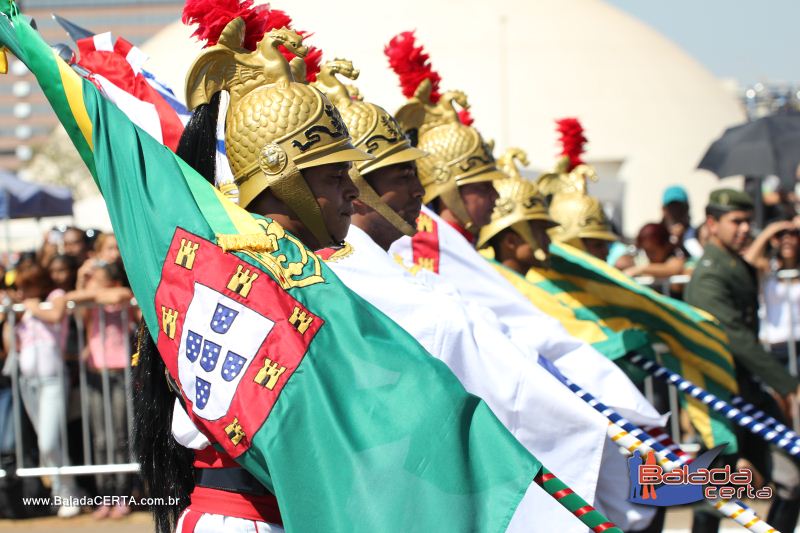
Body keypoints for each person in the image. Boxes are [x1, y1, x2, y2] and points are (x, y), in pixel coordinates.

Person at [314, 62, 611, 532]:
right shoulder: (342, 271)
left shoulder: (413, 274)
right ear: (359, 185)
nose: (418, 190)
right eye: (401, 175)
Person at [385, 38, 661, 529]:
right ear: (453, 190)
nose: (493, 200)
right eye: (483, 188)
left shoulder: (445, 244)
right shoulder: (426, 245)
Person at [685, 188, 800, 533]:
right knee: (715, 491)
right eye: (735, 221)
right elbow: (735, 337)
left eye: (749, 221)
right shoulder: (709, 274)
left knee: (790, 478)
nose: (744, 228)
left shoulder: (732, 263)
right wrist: (790, 385)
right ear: (712, 223)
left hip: (747, 391)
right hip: (718, 395)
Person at [8, 263, 80, 518]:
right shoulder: (22, 311)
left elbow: (56, 316)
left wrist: (32, 306)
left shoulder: (53, 297)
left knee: (48, 442)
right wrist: (10, 316)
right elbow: (12, 345)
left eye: (27, 285)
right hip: (29, 383)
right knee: (48, 443)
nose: (23, 291)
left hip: (52, 379)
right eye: (20, 287)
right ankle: (66, 492)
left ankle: (67, 492)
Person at [67, 261, 134, 519]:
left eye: (97, 278)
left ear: (111, 280)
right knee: (99, 439)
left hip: (119, 373)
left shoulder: (121, 295)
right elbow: (73, 302)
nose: (92, 283)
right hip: (96, 373)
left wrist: (88, 292)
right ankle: (105, 496)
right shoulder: (92, 304)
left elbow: (120, 295)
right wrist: (81, 280)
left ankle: (122, 495)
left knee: (119, 436)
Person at [744, 218, 800, 367]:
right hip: (774, 342)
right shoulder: (768, 267)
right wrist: (771, 230)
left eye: (793, 235)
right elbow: (748, 260)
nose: (787, 240)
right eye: (782, 235)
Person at [661, 185, 702, 259]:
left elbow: (699, 258)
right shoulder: (656, 234)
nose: (676, 212)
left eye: (679, 207)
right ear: (663, 209)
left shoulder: (696, 234)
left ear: (687, 208)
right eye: (672, 207)